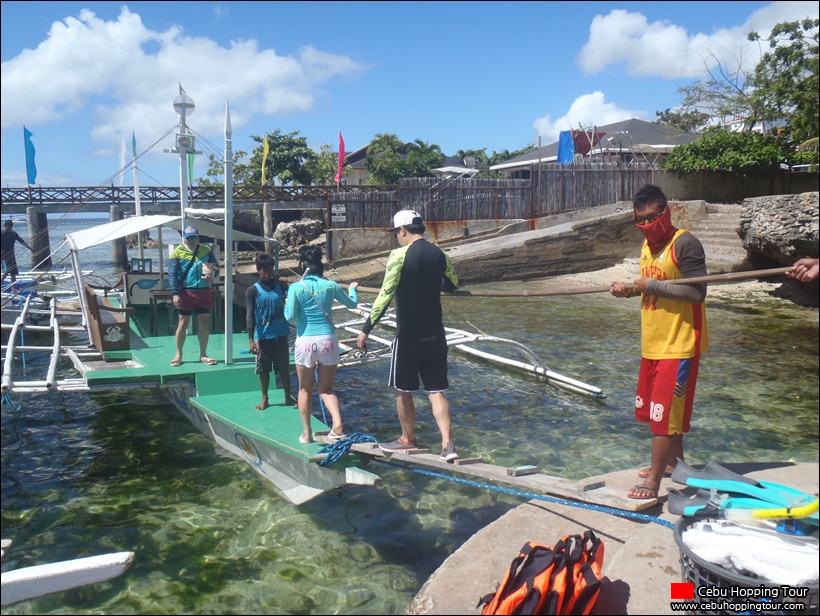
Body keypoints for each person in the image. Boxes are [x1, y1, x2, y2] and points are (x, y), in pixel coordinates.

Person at [610, 184, 708, 500]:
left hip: (679, 343)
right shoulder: (646, 247)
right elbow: (653, 287)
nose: (648, 224)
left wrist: (650, 284)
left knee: (663, 418)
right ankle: (672, 465)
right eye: (641, 219)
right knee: (664, 413)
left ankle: (653, 481)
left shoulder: (686, 244)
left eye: (653, 217)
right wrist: (630, 290)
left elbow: (696, 292)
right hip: (652, 343)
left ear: (667, 212)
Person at [356, 210, 461, 462]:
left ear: (402, 230)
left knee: (403, 390)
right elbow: (453, 283)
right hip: (436, 334)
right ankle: (448, 446)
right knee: (436, 391)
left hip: (409, 336)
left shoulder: (398, 255)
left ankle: (407, 439)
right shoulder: (439, 254)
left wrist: (366, 328)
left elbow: (385, 294)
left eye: (396, 234)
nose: (397, 238)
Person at [284, 246, 358, 444]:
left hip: (306, 342)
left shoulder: (296, 287)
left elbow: (290, 317)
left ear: (302, 265)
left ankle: (307, 434)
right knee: (326, 389)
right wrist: (352, 288)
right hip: (328, 341)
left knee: (304, 389)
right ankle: (337, 423)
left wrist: (288, 307)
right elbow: (352, 304)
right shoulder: (330, 285)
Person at [246, 252, 296, 409]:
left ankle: (288, 396)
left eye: (270, 269)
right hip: (264, 336)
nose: (267, 273)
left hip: (281, 334)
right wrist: (251, 339)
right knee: (264, 369)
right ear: (258, 270)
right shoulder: (252, 291)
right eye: (264, 270)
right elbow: (250, 316)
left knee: (283, 367)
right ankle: (265, 398)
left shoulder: (281, 287)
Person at [167, 225, 220, 366]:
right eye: (189, 237)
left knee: (203, 323)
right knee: (183, 323)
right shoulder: (177, 253)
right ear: (184, 237)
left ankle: (203, 354)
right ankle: (178, 354)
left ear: (198, 237)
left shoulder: (206, 250)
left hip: (203, 291)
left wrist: (212, 274)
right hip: (186, 291)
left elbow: (216, 268)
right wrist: (175, 294)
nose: (192, 240)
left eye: (194, 237)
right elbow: (172, 275)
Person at [1, 219, 34, 284]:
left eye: (10, 227)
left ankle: (13, 287)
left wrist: (30, 248)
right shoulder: (1, 233)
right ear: (4, 226)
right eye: (7, 227)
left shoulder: (14, 234)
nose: (9, 228)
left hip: (11, 255)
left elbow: (21, 241)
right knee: (6, 271)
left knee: (13, 272)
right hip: (3, 255)